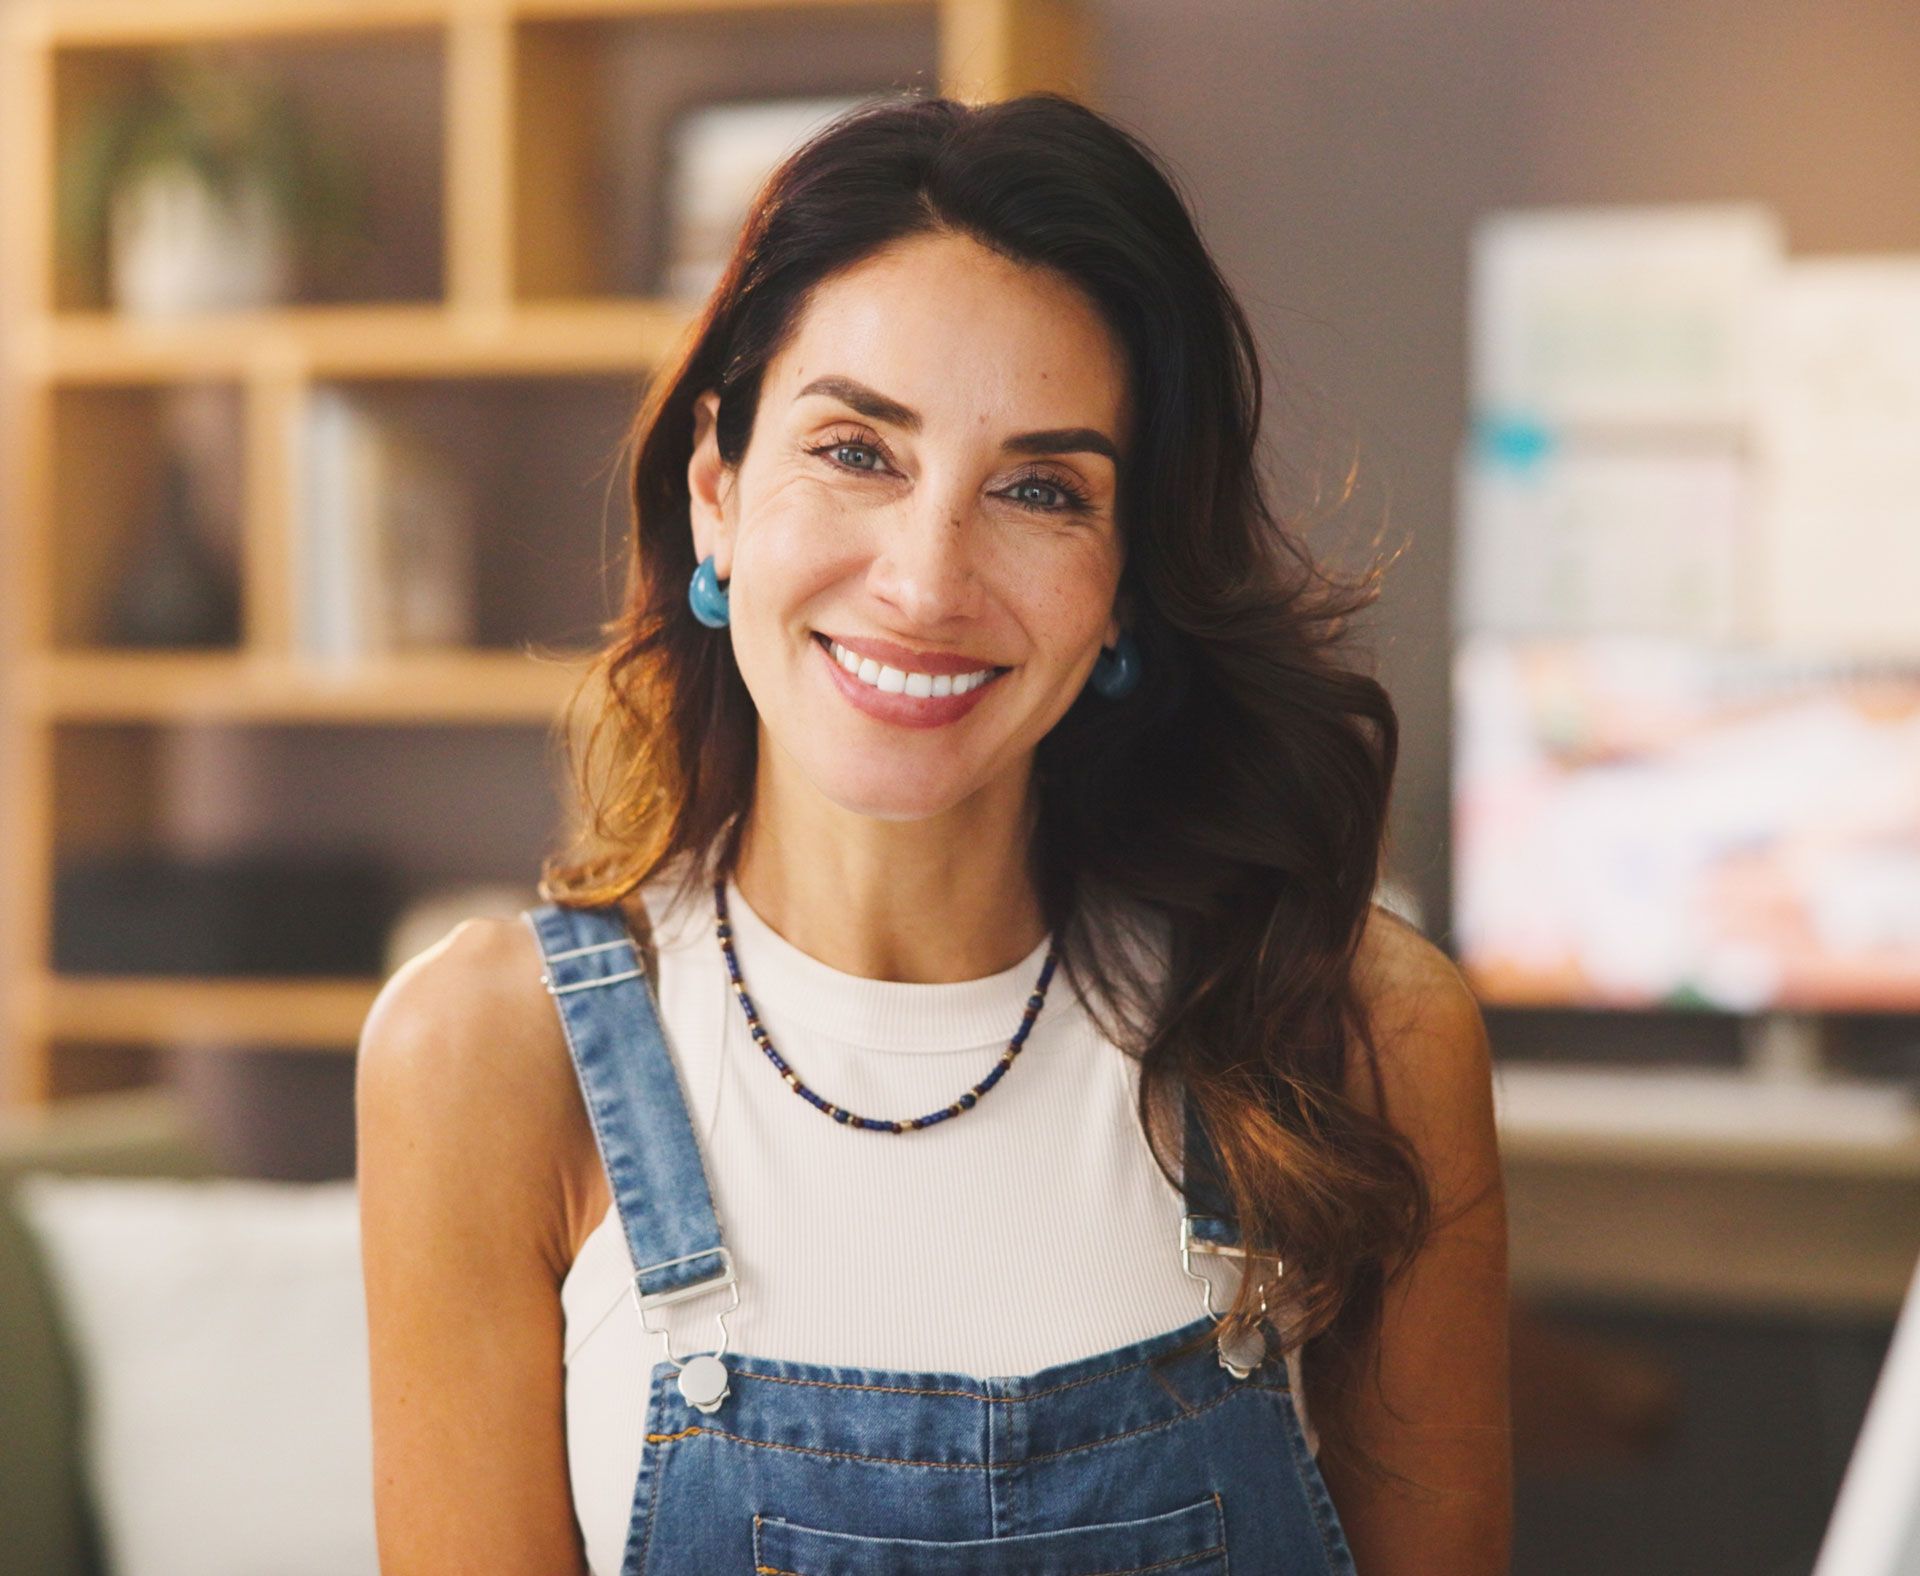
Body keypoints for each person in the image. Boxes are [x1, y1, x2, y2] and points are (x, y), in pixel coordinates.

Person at [356, 91, 1510, 1575]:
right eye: (856, 450)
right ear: (717, 491)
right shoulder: (486, 1061)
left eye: (1039, 489)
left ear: (1126, 587)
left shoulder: (1361, 1039)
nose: (925, 579)